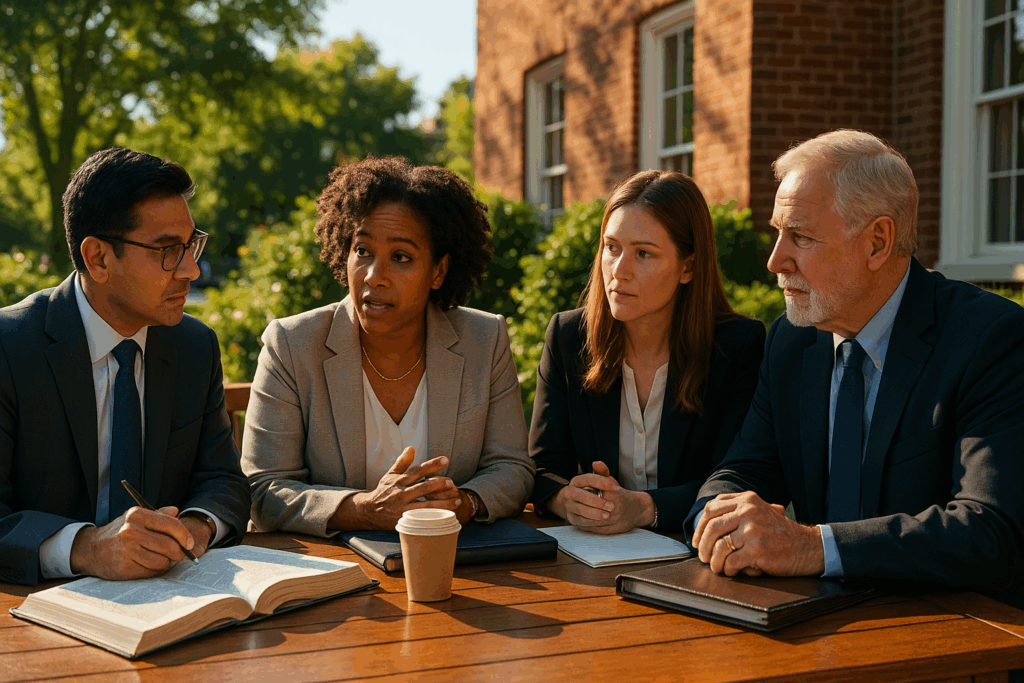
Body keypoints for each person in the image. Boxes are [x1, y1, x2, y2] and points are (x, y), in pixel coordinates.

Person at [687, 130, 1024, 607]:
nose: (775, 259)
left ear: (877, 242)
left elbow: (989, 532)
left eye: (800, 236)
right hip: (812, 625)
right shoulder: (792, 339)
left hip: (953, 636)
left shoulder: (991, 340)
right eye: (778, 232)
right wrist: (717, 521)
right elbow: (744, 469)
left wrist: (811, 548)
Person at [242, 157, 535, 535]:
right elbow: (263, 490)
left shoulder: (484, 339)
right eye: (362, 251)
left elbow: (512, 468)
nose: (374, 276)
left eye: (401, 257)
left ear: (438, 272)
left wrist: (463, 503)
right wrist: (364, 509)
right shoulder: (293, 344)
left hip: (452, 562)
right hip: (332, 569)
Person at [0, 147, 251, 586]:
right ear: (98, 258)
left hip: (171, 602)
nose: (191, 269)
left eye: (192, 244)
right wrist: (88, 548)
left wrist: (193, 529)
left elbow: (223, 481)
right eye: (169, 250)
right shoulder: (9, 347)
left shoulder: (195, 346)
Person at [529, 171, 766, 533]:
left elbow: (735, 478)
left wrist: (643, 508)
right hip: (591, 553)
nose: (619, 271)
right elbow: (543, 466)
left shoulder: (737, 346)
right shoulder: (568, 337)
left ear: (687, 267)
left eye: (643, 253)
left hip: (696, 553)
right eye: (612, 248)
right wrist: (567, 500)